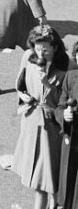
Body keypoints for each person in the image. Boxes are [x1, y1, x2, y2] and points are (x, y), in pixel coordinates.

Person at [11, 26, 70, 209]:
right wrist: (22, 95)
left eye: (45, 48)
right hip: (31, 121)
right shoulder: (28, 57)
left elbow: (64, 99)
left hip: (52, 127)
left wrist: (47, 84)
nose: (41, 52)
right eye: (37, 47)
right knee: (38, 178)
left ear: (55, 48)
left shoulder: (66, 66)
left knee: (49, 176)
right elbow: (20, 83)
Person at [57, 41, 78, 209]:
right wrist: (64, 115)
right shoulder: (71, 77)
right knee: (67, 184)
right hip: (71, 139)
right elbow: (60, 106)